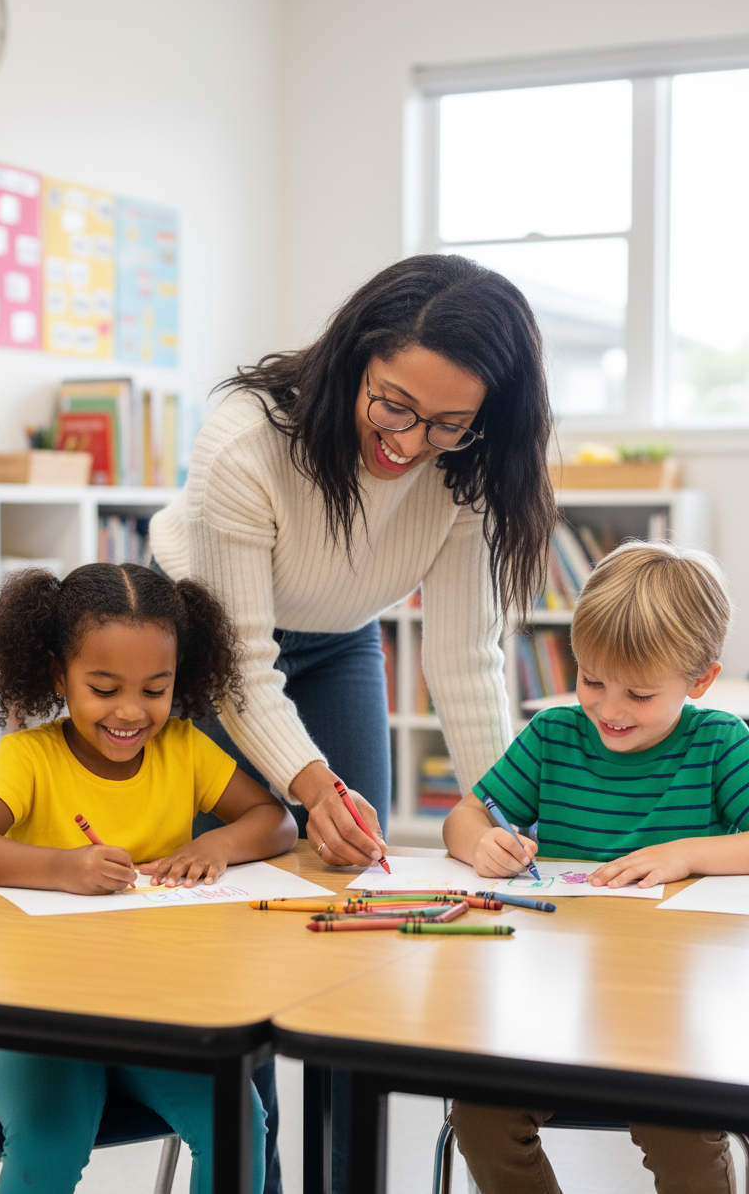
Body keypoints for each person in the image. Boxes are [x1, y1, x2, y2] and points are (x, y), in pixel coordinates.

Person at [148, 252, 556, 1192]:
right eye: (395, 406)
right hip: (205, 644)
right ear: (356, 360)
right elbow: (244, 666)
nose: (411, 445)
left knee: (350, 906)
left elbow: (464, 659)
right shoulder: (247, 441)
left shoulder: (469, 466)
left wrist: (506, 810)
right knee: (244, 932)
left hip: (337, 642)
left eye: (450, 422)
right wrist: (307, 783)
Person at [0, 562, 298, 1194]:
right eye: (103, 688)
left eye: (154, 690)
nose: (131, 712)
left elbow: (276, 821)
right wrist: (60, 866)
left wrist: (216, 844)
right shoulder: (29, 758)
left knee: (241, 1121)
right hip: (47, 1023)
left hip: (156, 1018)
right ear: (56, 675)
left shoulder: (184, 749)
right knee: (52, 1138)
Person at [444, 540, 746, 1194]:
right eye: (590, 680)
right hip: (554, 1006)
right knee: (480, 1116)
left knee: (688, 1146)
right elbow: (464, 818)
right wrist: (482, 844)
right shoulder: (554, 738)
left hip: (675, 1018)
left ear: (699, 682)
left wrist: (686, 853)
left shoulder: (720, 743)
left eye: (638, 693)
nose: (609, 710)